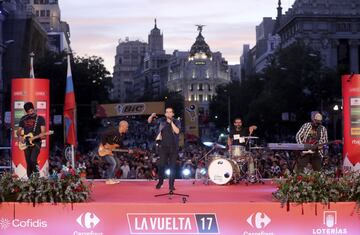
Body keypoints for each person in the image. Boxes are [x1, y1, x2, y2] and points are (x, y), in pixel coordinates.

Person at [148, 107, 181, 191]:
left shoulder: (177, 121)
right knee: (161, 165)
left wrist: (171, 122)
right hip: (163, 147)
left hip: (174, 148)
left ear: (173, 114)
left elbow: (177, 131)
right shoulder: (161, 121)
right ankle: (160, 182)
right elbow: (149, 122)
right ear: (165, 114)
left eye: (170, 112)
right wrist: (151, 116)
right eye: (167, 112)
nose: (168, 113)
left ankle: (171, 185)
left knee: (172, 167)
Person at [17, 102, 46, 178]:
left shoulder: (40, 119)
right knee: (28, 163)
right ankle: (30, 182)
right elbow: (18, 131)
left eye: (31, 110)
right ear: (26, 111)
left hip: (36, 142)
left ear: (34, 109)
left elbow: (43, 133)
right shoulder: (23, 118)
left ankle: (37, 175)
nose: (31, 112)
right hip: (26, 143)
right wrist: (20, 136)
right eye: (29, 111)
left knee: (33, 159)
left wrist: (41, 136)